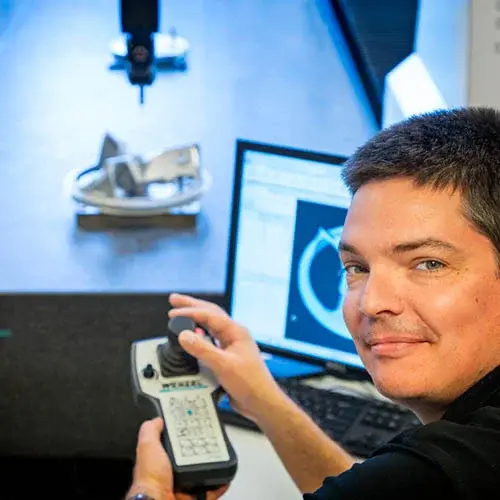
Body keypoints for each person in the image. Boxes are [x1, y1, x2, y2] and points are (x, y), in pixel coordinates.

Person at [126, 106, 500, 500]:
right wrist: (262, 398)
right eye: (356, 267)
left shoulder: (446, 471)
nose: (371, 303)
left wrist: (147, 490)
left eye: (428, 263)